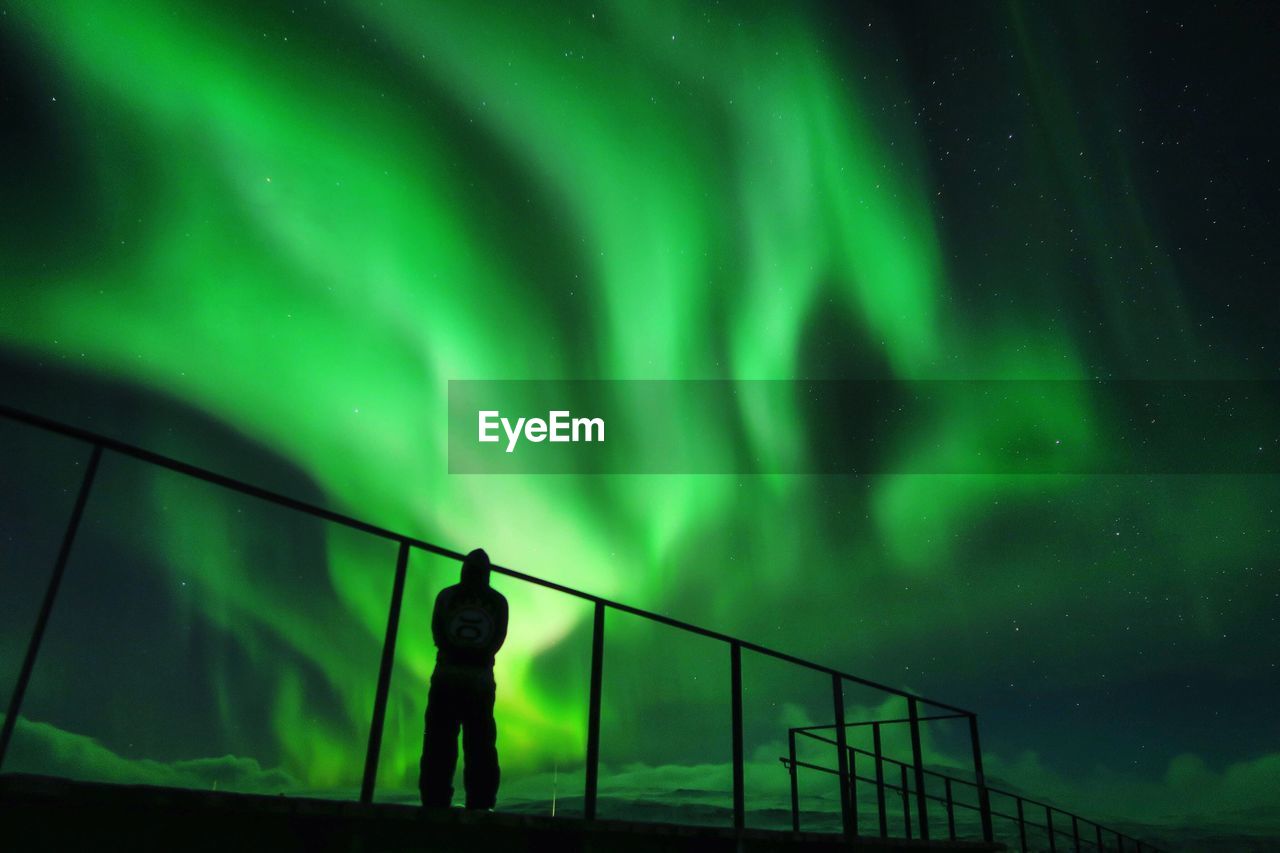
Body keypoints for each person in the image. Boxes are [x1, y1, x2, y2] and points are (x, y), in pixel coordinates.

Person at [419, 548, 508, 810]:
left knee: (439, 741)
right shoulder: (498, 601)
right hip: (480, 681)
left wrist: (455, 653)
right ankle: (480, 803)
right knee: (480, 744)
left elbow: (438, 631)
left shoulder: (446, 595)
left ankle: (435, 801)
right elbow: (498, 638)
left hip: (446, 676)